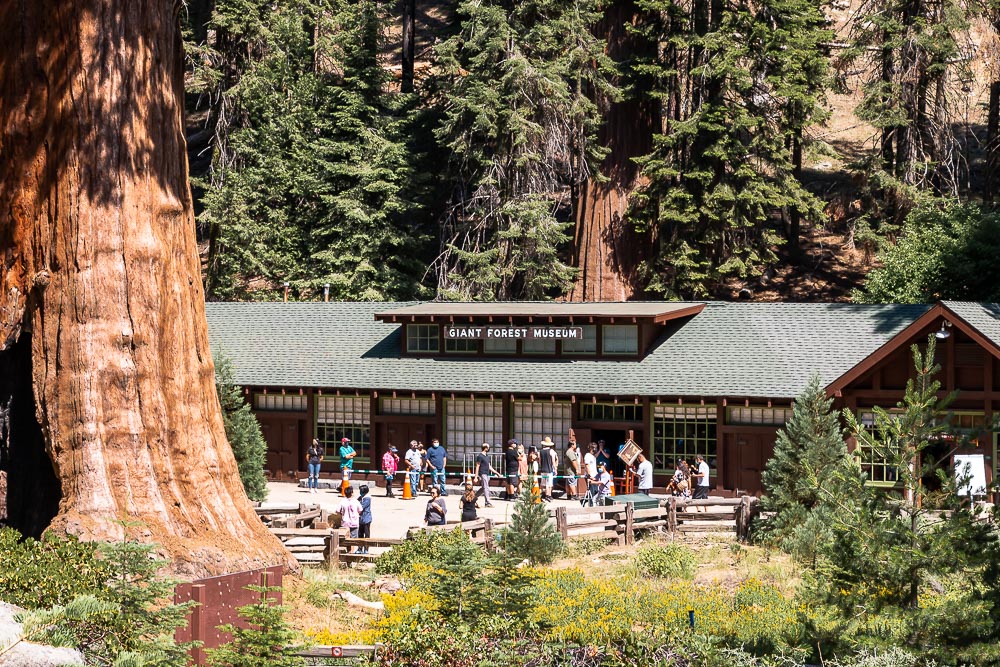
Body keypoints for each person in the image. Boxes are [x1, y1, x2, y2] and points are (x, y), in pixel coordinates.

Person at [338, 485, 362, 551]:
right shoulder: (356, 501)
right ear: (352, 493)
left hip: (345, 522)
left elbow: (337, 511)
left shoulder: (342, 501)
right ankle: (352, 553)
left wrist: (342, 514)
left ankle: (348, 551)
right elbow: (360, 510)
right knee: (353, 539)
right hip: (354, 522)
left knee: (345, 538)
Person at [474, 443, 498, 507]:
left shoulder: (487, 456)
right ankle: (487, 502)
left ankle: (473, 498)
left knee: (483, 488)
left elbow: (489, 466)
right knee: (486, 488)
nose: (489, 448)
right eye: (488, 447)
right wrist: (476, 477)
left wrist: (496, 472)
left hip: (487, 474)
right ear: (485, 448)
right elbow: (477, 466)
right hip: (482, 473)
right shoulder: (480, 456)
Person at [538, 437, 558, 502]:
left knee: (542, 483)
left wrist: (541, 466)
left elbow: (540, 461)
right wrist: (555, 469)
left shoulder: (540, 451)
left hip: (543, 469)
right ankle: (548, 496)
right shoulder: (551, 451)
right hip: (549, 469)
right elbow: (553, 461)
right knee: (548, 484)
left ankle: (539, 495)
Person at [357, 485, 372, 553]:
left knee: (366, 534)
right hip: (360, 519)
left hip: (366, 518)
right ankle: (360, 548)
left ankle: (366, 548)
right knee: (360, 534)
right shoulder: (360, 498)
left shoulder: (367, 498)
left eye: (361, 491)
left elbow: (361, 507)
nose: (360, 492)